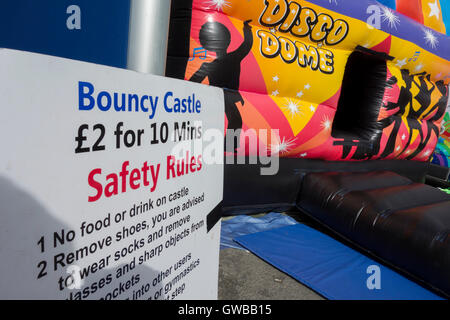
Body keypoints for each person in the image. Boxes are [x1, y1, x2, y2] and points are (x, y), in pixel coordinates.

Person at [190, 20, 253, 151]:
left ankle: (227, 145)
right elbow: (193, 81)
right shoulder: (215, 63)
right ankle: (226, 144)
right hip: (220, 96)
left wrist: (247, 30)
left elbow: (246, 46)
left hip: (224, 96)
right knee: (234, 119)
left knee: (234, 119)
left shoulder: (228, 59)